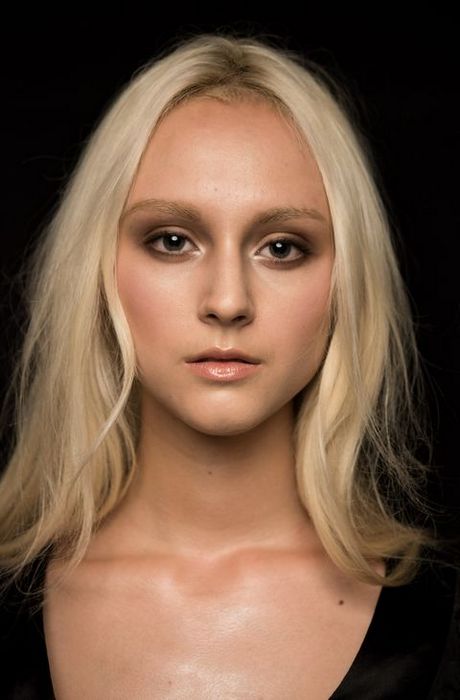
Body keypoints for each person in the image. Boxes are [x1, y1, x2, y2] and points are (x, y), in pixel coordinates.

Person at [0, 33, 458, 699]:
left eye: (282, 247)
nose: (227, 301)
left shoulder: (442, 621)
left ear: (347, 283)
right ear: (98, 271)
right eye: (172, 240)